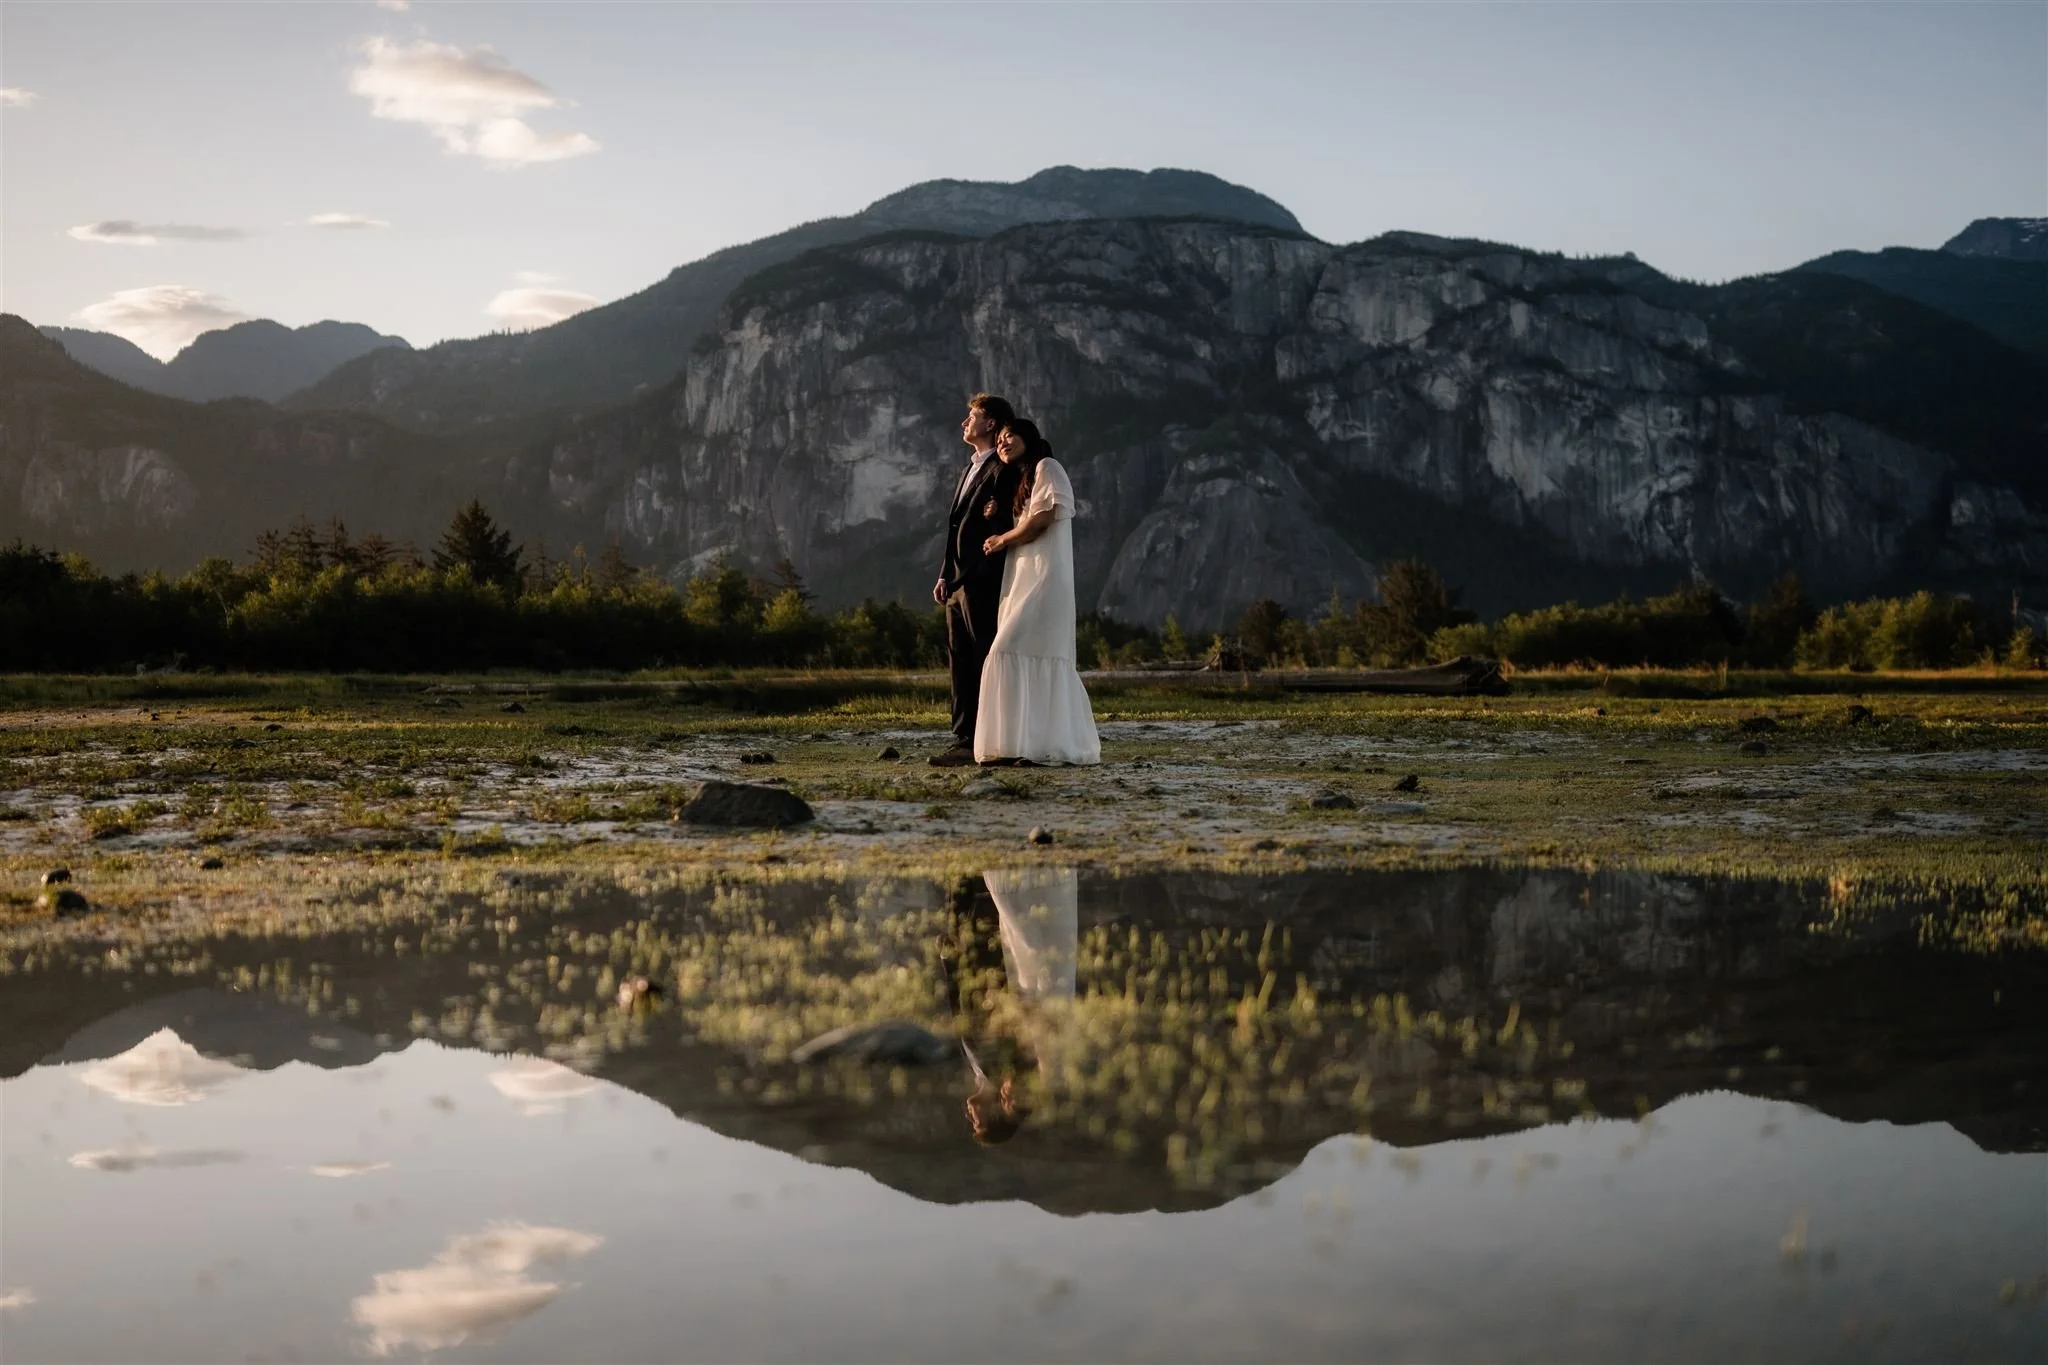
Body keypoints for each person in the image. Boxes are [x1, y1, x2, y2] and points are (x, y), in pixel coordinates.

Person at [972, 418, 1102, 766]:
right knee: (1021, 651)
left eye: (1009, 435)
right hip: (1024, 578)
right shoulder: (1023, 482)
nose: (1003, 442)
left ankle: (1036, 745)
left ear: (1029, 437)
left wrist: (1002, 539)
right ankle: (1021, 747)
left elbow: (1041, 519)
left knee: (1008, 649)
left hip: (1045, 578)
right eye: (998, 439)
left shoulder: (1049, 467)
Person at [929, 394, 1022, 767]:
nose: (964, 422)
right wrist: (944, 574)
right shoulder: (967, 469)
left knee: (985, 655)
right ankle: (963, 738)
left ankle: (991, 737)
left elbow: (998, 523)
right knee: (959, 659)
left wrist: (975, 572)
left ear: (991, 424)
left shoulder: (1002, 469)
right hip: (956, 582)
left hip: (983, 578)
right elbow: (955, 529)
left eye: (973, 416)